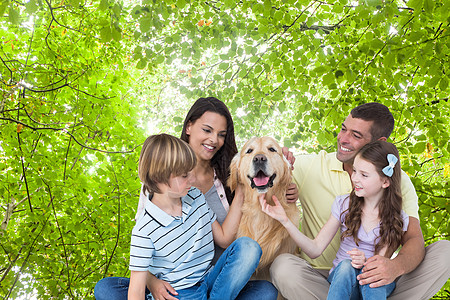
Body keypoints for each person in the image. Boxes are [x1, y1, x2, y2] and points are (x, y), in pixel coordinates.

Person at [95, 97, 286, 299]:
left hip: (214, 281)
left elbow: (225, 237)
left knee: (265, 289)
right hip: (174, 288)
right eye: (207, 130)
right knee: (106, 288)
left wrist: (281, 178)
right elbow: (142, 257)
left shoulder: (206, 189)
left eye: (221, 134)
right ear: (189, 126)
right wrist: (153, 283)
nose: (214, 140)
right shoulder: (147, 217)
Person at [272, 102, 450, 299]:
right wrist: (277, 161)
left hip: (376, 279)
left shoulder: (397, 182)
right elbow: (267, 179)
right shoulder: (314, 166)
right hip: (323, 279)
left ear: (378, 142)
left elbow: (413, 239)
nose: (343, 139)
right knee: (284, 267)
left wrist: (393, 266)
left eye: (356, 135)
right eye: (343, 129)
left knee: (445, 251)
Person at [110, 133, 261, 300]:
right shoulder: (144, 230)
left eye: (192, 171)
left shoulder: (195, 196)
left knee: (250, 250)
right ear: (157, 178)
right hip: (178, 293)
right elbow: (136, 292)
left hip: (209, 279)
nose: (193, 178)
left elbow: (223, 238)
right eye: (184, 175)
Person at [262, 140, 409, 299]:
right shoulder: (344, 204)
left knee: (373, 276)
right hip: (342, 281)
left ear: (385, 181)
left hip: (372, 284)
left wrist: (365, 262)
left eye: (364, 175)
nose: (355, 179)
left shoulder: (397, 218)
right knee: (346, 265)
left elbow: (381, 265)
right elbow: (314, 249)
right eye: (354, 171)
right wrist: (285, 221)